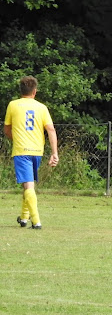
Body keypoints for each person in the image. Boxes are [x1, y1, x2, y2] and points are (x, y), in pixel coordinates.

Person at [4, 76, 59, 229]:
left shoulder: (13, 105)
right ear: (35, 91)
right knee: (28, 184)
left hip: (22, 150)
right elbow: (51, 130)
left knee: (28, 186)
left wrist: (15, 139)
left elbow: (7, 129)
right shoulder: (42, 107)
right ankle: (23, 218)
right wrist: (54, 153)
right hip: (37, 151)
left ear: (21, 91)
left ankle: (36, 222)